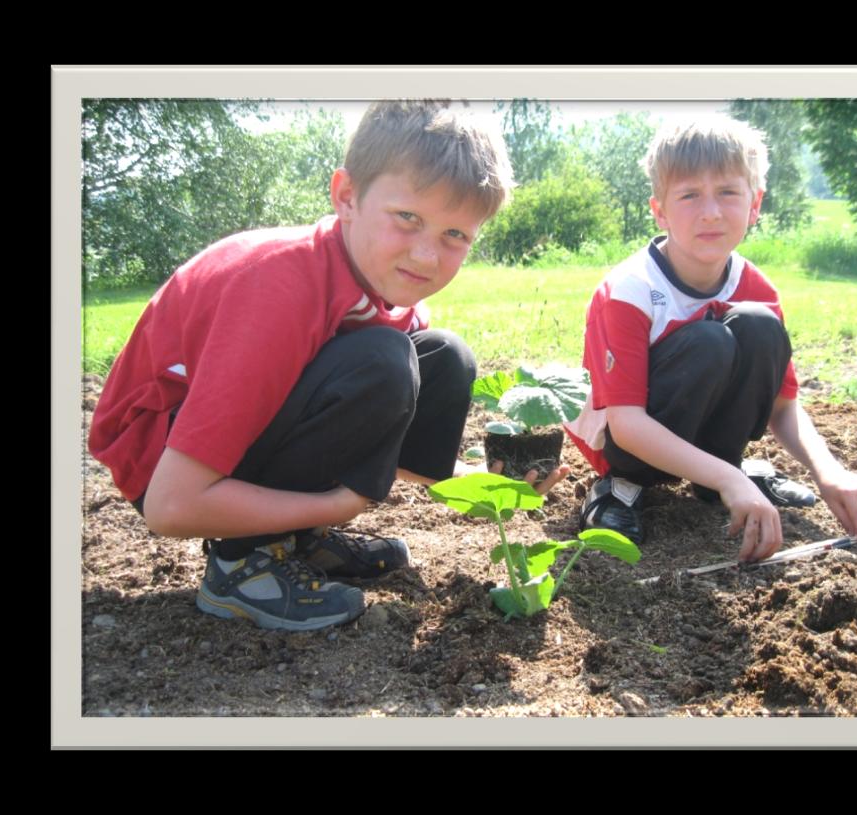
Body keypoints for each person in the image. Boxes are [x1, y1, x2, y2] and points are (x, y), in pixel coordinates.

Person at [89, 100, 567, 632]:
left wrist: (483, 487)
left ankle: (297, 542)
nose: (427, 257)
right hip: (163, 460)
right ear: (347, 197)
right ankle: (242, 564)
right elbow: (169, 507)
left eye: (455, 235)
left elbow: (372, 425)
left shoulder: (384, 288)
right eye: (408, 218)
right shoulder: (278, 290)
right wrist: (337, 505)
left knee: (443, 357)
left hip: (229, 447)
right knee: (384, 362)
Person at [565, 115, 857, 563]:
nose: (711, 212)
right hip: (626, 447)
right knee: (709, 343)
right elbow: (628, 424)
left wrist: (829, 472)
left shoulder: (757, 287)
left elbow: (782, 405)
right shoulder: (630, 290)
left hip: (700, 441)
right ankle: (622, 488)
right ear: (659, 210)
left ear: (755, 204)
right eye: (690, 195)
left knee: (757, 325)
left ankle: (716, 474)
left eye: (728, 193)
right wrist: (732, 480)